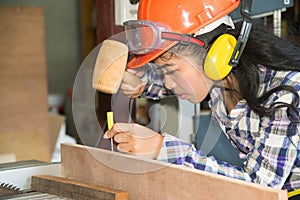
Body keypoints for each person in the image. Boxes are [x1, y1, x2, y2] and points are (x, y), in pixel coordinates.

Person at [103, 0, 300, 195]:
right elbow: (167, 82)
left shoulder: (286, 94)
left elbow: (259, 188)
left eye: (170, 70)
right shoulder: (218, 78)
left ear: (216, 54)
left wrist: (163, 149)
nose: (168, 83)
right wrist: (138, 81)